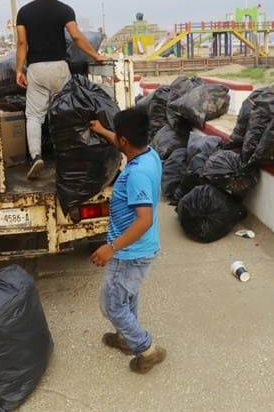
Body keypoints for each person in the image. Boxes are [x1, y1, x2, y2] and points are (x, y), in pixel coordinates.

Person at [88, 108, 166, 374]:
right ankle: (125, 337)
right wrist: (100, 130)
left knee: (111, 303)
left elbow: (143, 220)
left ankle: (147, 349)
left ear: (124, 141)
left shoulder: (136, 175)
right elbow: (119, 140)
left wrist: (111, 248)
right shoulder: (149, 154)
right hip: (142, 248)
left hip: (131, 252)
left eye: (117, 137)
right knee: (126, 295)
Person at [16, 0, 108, 179]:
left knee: (34, 116)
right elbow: (75, 36)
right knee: (63, 112)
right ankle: (66, 157)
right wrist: (95, 55)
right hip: (59, 67)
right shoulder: (65, 10)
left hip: (36, 69)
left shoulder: (24, 12)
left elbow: (22, 43)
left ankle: (36, 156)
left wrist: (19, 70)